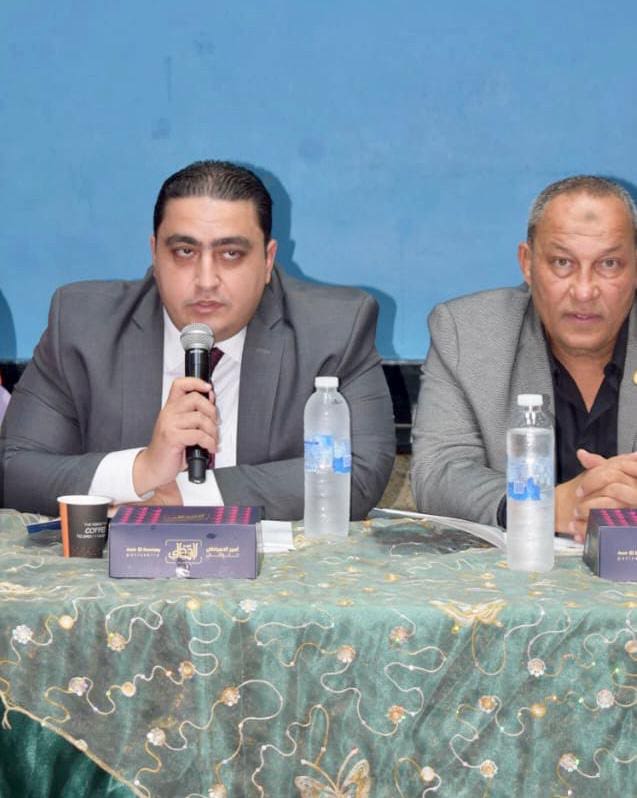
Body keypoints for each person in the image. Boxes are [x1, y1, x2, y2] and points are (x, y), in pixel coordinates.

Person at [1, 160, 395, 519]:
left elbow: (359, 474)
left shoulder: (334, 330)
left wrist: (188, 496)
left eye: (231, 254)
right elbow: (14, 471)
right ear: (155, 254)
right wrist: (143, 468)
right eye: (185, 251)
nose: (206, 280)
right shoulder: (83, 325)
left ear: (268, 260)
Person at [411, 175, 637, 540]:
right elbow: (437, 473)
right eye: (562, 262)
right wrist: (539, 505)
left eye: (609, 264)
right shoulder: (468, 333)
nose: (584, 291)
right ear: (527, 263)